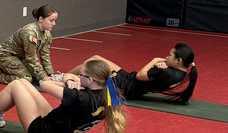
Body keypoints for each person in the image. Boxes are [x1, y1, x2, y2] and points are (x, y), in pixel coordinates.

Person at [0, 58, 127, 133]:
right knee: (23, 83)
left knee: (15, 85)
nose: (78, 77)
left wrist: (68, 83)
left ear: (91, 80)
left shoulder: (81, 97)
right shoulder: (111, 91)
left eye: (81, 75)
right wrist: (72, 82)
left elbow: (44, 84)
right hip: (58, 127)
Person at [66, 44, 197, 105]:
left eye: (169, 55)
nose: (166, 57)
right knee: (96, 58)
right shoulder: (181, 73)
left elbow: (140, 75)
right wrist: (160, 67)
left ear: (179, 61)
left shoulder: (168, 73)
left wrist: (155, 60)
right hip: (130, 80)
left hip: (127, 87)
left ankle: (63, 77)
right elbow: (156, 78)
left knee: (91, 65)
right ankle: (66, 75)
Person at [0, 6, 59, 84]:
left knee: (36, 77)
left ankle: (8, 70)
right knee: (26, 79)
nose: (54, 24)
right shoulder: (29, 32)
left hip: (20, 57)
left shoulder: (47, 34)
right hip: (5, 55)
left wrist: (50, 74)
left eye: (54, 20)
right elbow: (31, 58)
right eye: (51, 20)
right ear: (41, 19)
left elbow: (45, 54)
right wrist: (44, 77)